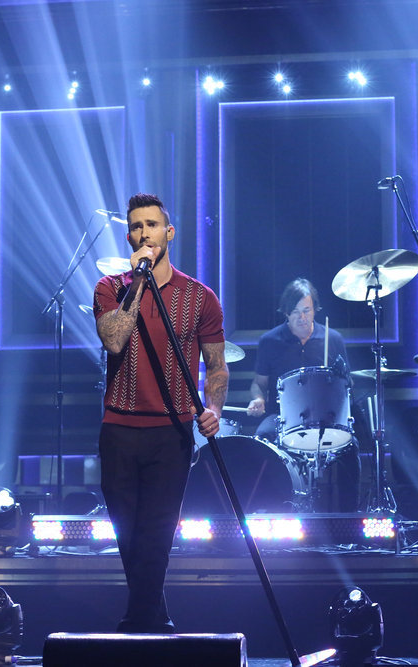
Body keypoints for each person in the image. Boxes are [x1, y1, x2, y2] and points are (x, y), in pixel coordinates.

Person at [93, 193, 228, 633]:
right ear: (129, 237)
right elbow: (114, 340)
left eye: (152, 225)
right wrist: (138, 282)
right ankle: (155, 619)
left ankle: (137, 625)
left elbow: (217, 365)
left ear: (169, 233)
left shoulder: (199, 297)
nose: (144, 233)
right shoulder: (110, 288)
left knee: (157, 533)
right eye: (136, 226)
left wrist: (213, 408)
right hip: (119, 428)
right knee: (128, 534)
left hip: (172, 432)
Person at [246, 278, 360, 512]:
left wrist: (343, 380)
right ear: (286, 313)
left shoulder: (333, 339)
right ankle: (270, 510)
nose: (302, 317)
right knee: (261, 440)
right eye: (295, 312)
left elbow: (347, 384)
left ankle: (348, 517)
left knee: (351, 447)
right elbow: (259, 383)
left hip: (326, 418)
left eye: (307, 310)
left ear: (315, 310)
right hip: (281, 418)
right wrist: (258, 398)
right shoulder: (270, 341)